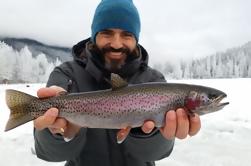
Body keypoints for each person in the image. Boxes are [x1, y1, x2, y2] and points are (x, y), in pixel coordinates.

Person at [33, 0, 201, 166]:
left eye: (126, 35)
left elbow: (158, 153)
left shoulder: (154, 80)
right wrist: (53, 131)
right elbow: (49, 153)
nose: (116, 43)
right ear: (94, 36)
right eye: (107, 33)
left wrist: (145, 132)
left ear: (136, 39)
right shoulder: (66, 74)